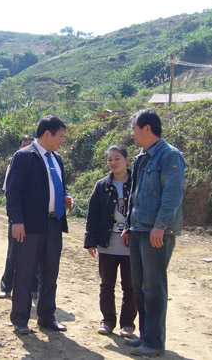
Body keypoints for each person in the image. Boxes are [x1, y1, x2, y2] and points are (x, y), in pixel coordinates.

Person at [122, 108, 185, 357]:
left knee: (154, 286)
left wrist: (160, 225)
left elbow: (172, 194)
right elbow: (135, 195)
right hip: (138, 229)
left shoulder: (169, 155)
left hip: (156, 232)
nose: (132, 134)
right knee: (140, 286)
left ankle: (154, 342)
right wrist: (129, 226)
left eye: (134, 129)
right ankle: (146, 335)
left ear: (147, 129)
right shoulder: (142, 158)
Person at [6, 115, 74, 334]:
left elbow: (60, 185)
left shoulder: (57, 159)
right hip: (30, 226)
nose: (62, 140)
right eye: (60, 135)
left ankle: (46, 317)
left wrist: (66, 195)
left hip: (54, 224)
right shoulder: (24, 156)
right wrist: (17, 221)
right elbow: (13, 192)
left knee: (50, 273)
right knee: (25, 273)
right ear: (47, 134)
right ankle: (20, 319)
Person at [84, 145, 137, 338]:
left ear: (127, 160)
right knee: (107, 284)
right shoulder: (102, 185)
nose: (113, 163)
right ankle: (107, 321)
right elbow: (93, 214)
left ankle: (127, 324)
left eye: (117, 158)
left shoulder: (137, 183)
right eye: (110, 159)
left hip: (131, 244)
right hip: (107, 242)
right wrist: (90, 240)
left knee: (130, 285)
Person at [0, 135, 34, 299]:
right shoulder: (14, 165)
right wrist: (14, 217)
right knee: (13, 251)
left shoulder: (40, 164)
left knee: (35, 253)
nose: (26, 148)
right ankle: (6, 286)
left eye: (30, 145)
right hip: (18, 215)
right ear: (19, 148)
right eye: (24, 145)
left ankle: (34, 288)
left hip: (35, 216)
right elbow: (10, 192)